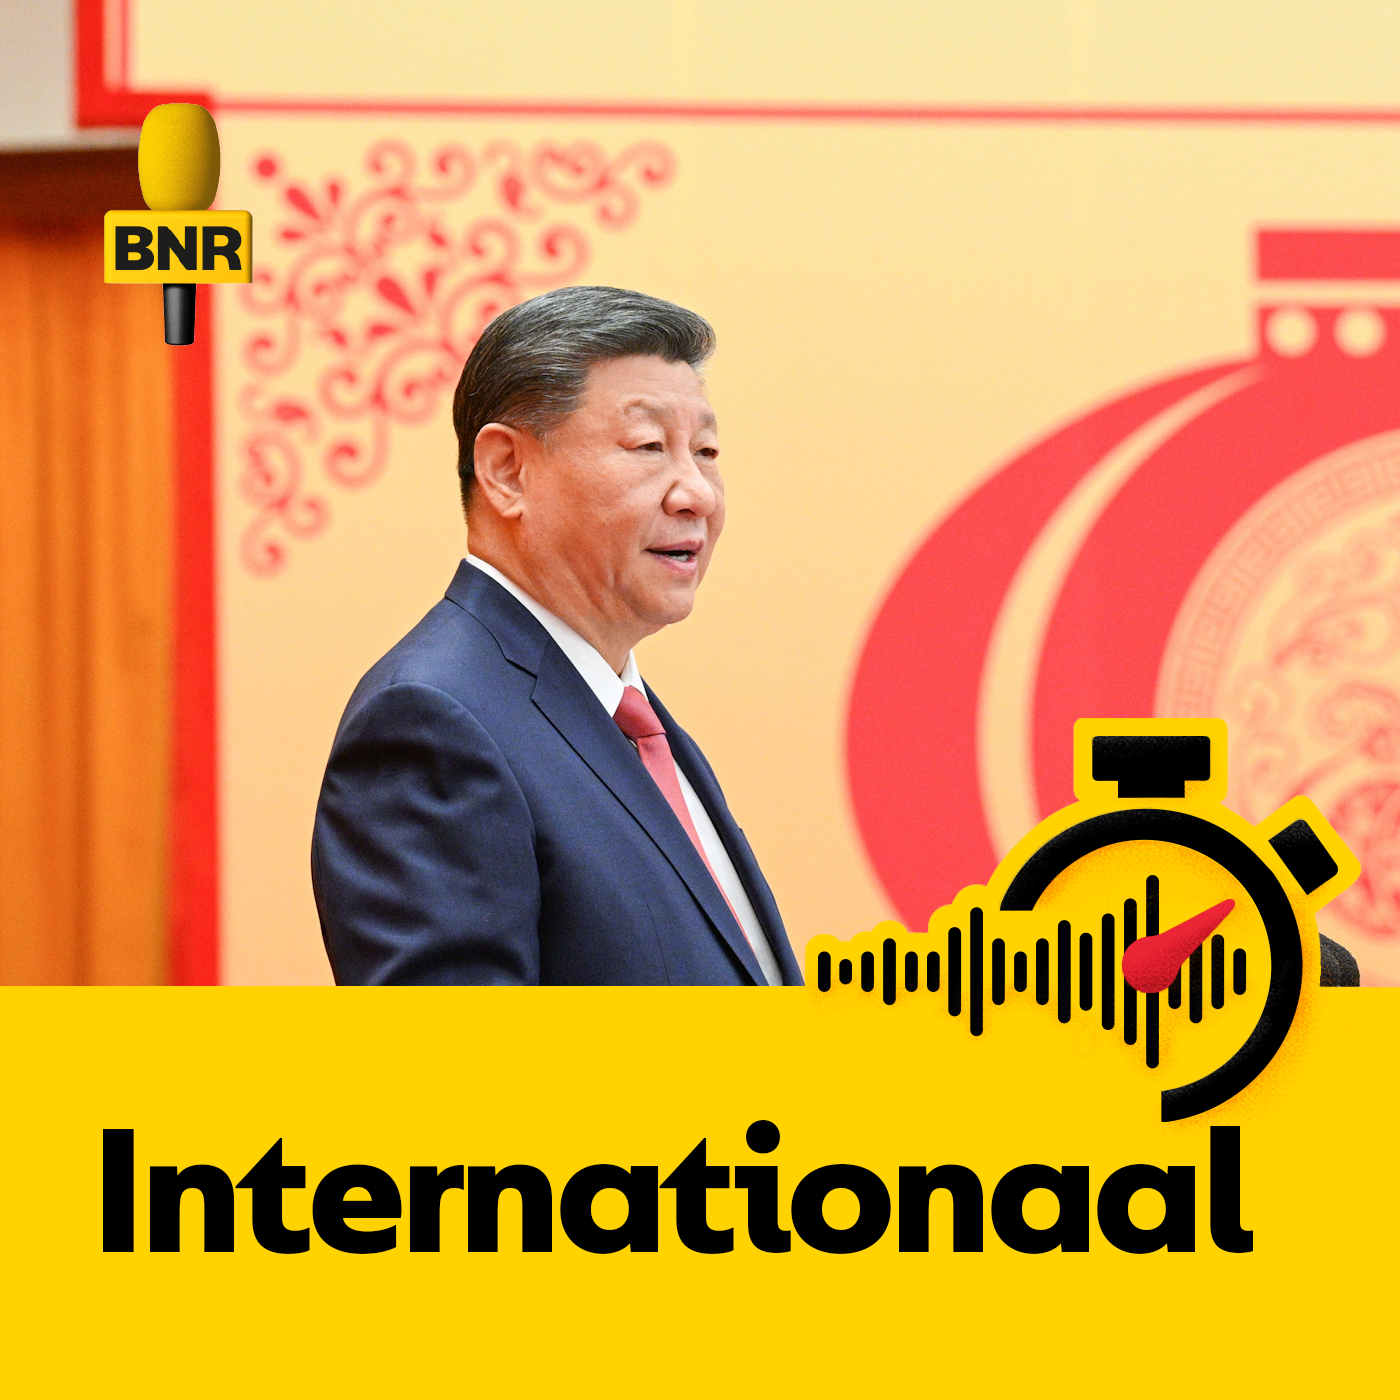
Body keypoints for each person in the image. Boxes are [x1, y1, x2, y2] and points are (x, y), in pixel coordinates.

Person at [312, 286, 801, 987]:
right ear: (507, 472)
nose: (697, 493)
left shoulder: (628, 720)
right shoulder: (431, 722)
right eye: (649, 446)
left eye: (706, 450)